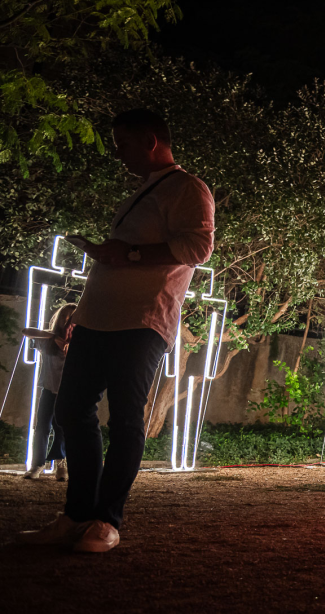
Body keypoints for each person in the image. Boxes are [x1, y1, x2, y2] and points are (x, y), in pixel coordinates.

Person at [17, 108, 215, 553]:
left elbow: (198, 247)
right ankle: (78, 514)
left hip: (142, 320)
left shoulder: (187, 187)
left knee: (126, 420)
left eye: (123, 144)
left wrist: (128, 256)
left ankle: (107, 521)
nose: (118, 154)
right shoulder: (141, 193)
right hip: (95, 318)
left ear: (150, 140)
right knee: (70, 411)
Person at [21, 303, 79, 480]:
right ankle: (37, 465)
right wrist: (54, 336)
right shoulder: (47, 341)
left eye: (72, 318)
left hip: (67, 393)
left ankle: (61, 465)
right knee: (41, 429)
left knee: (61, 429)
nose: (68, 321)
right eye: (66, 317)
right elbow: (26, 330)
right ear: (60, 318)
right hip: (48, 390)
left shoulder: (79, 343)